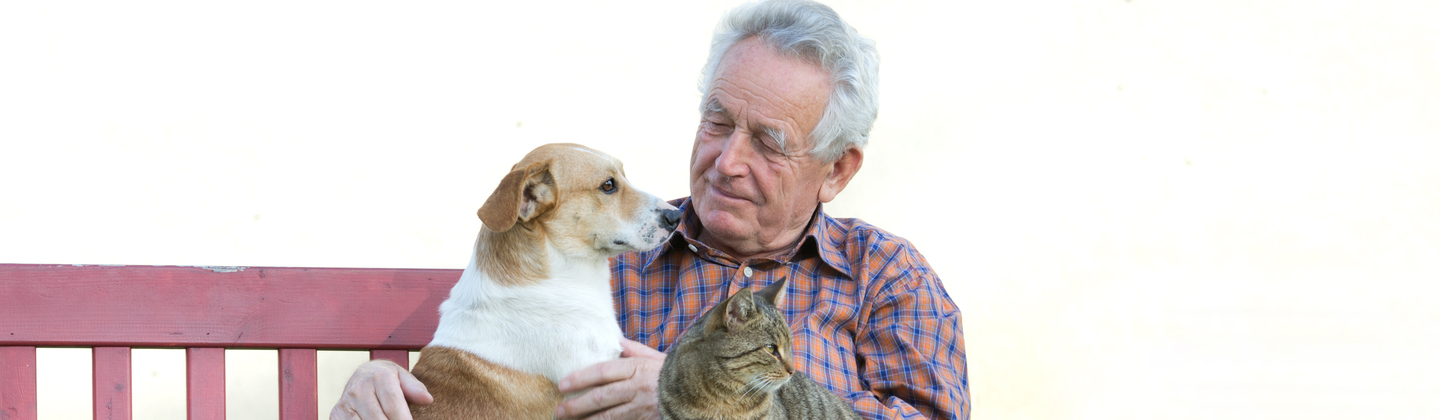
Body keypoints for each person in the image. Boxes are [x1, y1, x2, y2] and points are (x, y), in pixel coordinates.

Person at [331, 1, 969, 419]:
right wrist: (376, 396)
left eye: (768, 142)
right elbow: (481, 370)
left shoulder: (887, 278)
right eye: (717, 122)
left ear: (837, 170)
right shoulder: (596, 253)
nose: (727, 161)